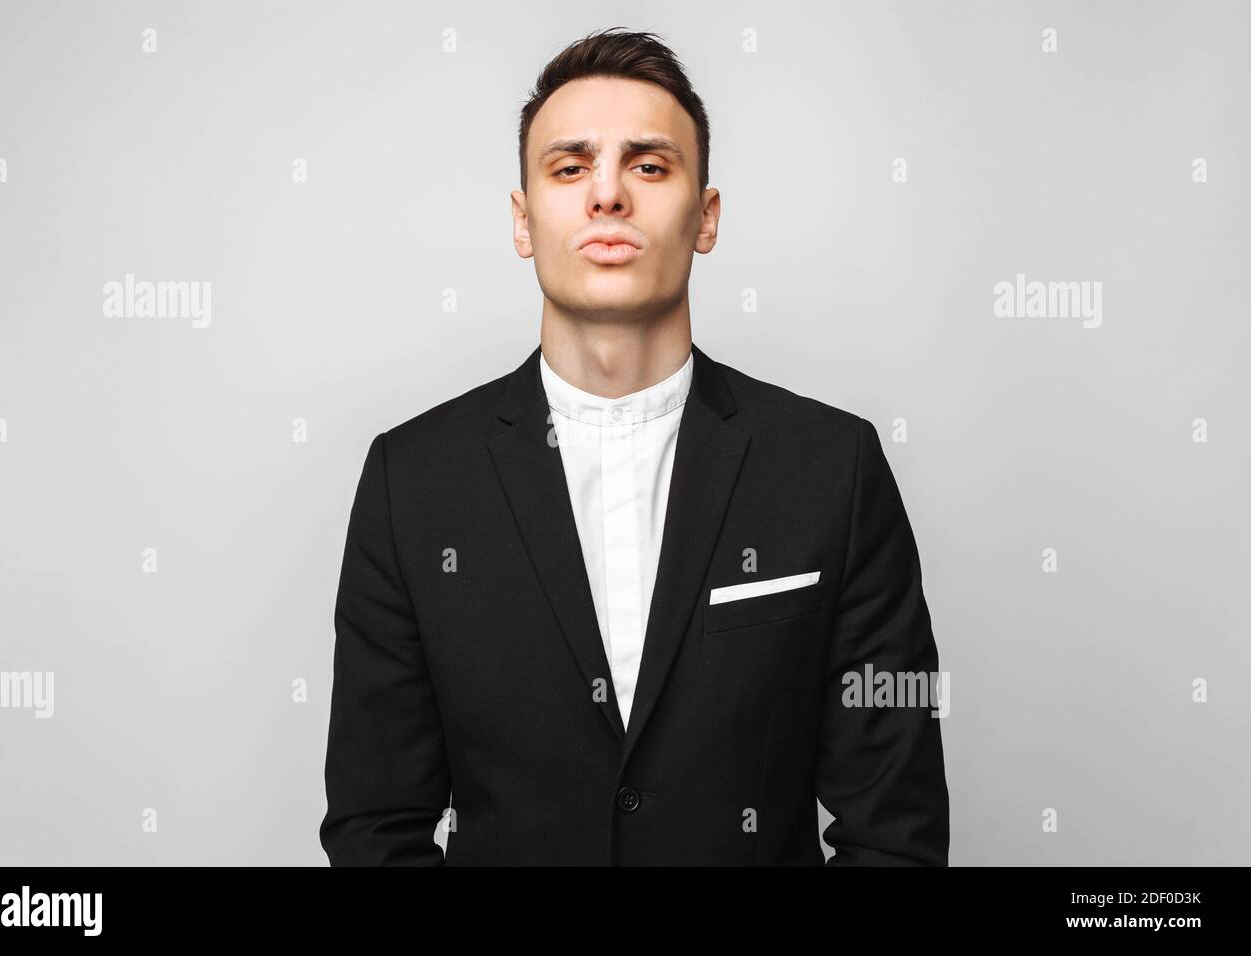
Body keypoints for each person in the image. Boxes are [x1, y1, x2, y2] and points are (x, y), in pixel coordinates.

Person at [319, 27, 948, 865]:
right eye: (570, 167)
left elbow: (896, 830)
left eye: (649, 166)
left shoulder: (835, 468)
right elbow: (375, 827)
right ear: (522, 220)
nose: (607, 193)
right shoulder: (413, 482)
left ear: (706, 217)